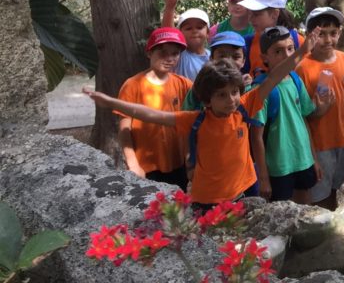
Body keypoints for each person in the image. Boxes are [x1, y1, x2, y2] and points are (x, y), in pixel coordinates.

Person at [84, 41, 311, 210]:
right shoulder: (195, 120)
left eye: (234, 92)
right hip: (209, 198)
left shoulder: (244, 107)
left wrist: (302, 51)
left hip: (247, 187)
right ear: (206, 100)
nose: (231, 100)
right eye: (221, 95)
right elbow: (152, 114)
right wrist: (111, 102)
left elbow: (273, 77)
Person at [252, 26, 332, 203]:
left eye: (290, 49)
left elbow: (303, 119)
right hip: (279, 166)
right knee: (282, 212)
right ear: (264, 57)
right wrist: (264, 178)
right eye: (278, 51)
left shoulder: (296, 80)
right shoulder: (261, 90)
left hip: (303, 160)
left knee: (305, 208)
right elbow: (256, 136)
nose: (286, 55)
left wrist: (313, 159)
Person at [296, 7, 344, 209]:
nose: (327, 40)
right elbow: (301, 117)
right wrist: (319, 110)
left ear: (339, 33)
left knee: (342, 191)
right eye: (320, 34)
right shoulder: (301, 68)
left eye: (333, 33)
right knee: (320, 197)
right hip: (319, 144)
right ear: (309, 36)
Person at [114, 27, 193, 188]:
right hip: (146, 166)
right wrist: (132, 164)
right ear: (149, 52)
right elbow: (124, 129)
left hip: (178, 164)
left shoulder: (184, 84)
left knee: (177, 209)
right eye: (163, 52)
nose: (169, 58)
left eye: (175, 53)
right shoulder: (132, 86)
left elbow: (194, 121)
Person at [240, 0, 304, 79]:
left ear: (274, 14)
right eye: (250, 13)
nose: (250, 19)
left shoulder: (298, 41)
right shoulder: (247, 43)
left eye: (256, 14)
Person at [181, 31, 248, 111]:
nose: (229, 61)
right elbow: (185, 116)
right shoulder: (199, 88)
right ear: (211, 59)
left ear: (243, 61)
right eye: (222, 56)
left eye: (235, 57)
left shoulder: (248, 89)